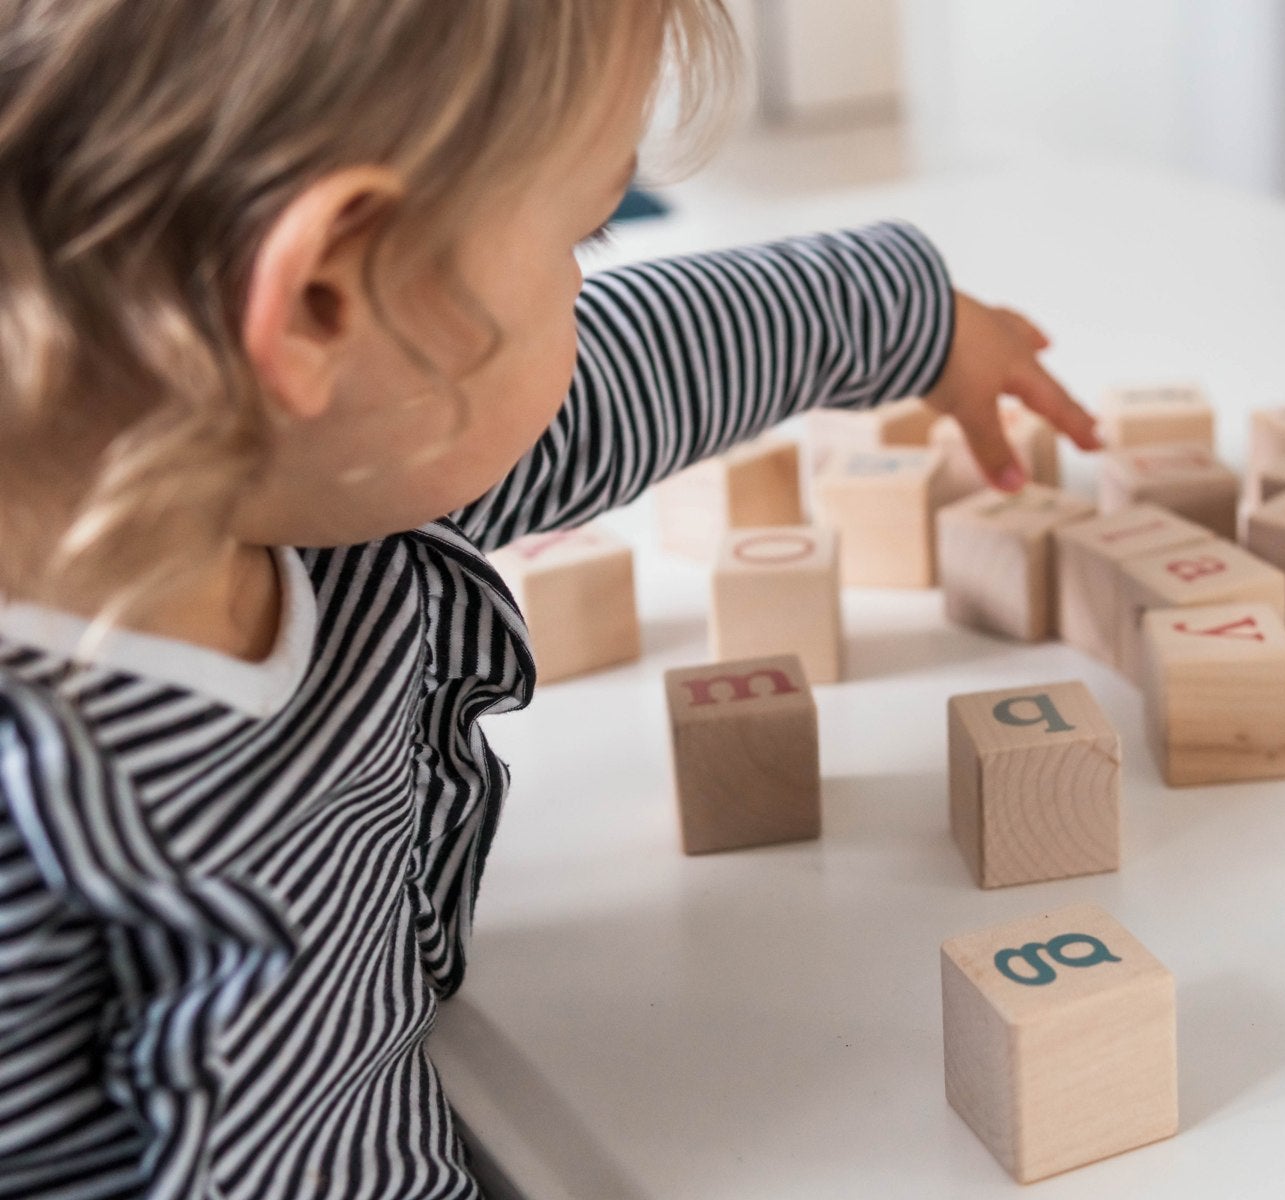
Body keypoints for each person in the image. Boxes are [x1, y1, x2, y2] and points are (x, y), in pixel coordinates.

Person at [0, 0, 1099, 1194]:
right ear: (322, 299)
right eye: (584, 242)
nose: (589, 293)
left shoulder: (321, 458)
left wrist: (906, 314)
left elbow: (654, 363)